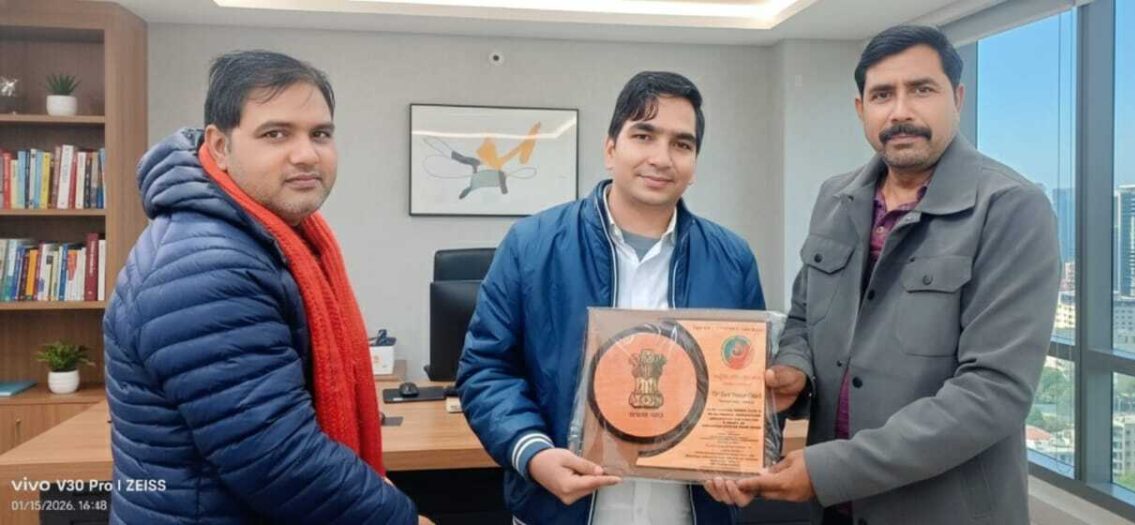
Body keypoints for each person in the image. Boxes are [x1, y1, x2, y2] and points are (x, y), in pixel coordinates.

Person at [705, 25, 1060, 525]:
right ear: (861, 109)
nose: (900, 111)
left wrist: (831, 469)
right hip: (835, 507)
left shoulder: (1011, 209)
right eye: (882, 95)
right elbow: (803, 318)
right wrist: (795, 369)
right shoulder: (835, 198)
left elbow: (992, 392)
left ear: (957, 98)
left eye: (921, 89)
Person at [104, 50, 424, 524]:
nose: (306, 154)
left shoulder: (266, 238)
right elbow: (278, 459)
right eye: (276, 134)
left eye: (320, 134)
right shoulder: (205, 266)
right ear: (219, 146)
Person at [457, 71, 766, 524]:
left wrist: (736, 456)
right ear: (610, 149)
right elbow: (487, 368)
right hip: (560, 510)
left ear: (694, 165)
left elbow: (746, 384)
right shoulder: (532, 245)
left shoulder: (732, 258)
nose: (661, 158)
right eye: (644, 135)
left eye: (681, 144)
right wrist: (534, 453)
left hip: (688, 513)